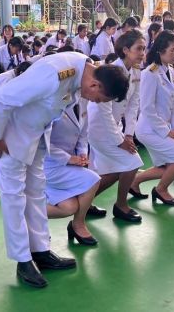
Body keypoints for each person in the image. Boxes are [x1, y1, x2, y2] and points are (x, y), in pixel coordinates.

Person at [0, 51, 128, 288]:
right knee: (14, 198)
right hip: (11, 137)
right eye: (99, 99)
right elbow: (5, 97)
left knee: (36, 193)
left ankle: (41, 250)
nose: (94, 102)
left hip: (37, 137)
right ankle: (23, 259)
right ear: (95, 84)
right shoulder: (55, 74)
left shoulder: (81, 68)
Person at [87, 31, 145, 222]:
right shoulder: (111, 71)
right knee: (132, 162)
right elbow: (103, 112)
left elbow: (133, 104)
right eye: (139, 48)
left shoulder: (136, 71)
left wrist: (129, 134)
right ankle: (121, 206)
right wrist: (120, 140)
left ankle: (84, 203)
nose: (143, 53)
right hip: (100, 128)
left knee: (113, 171)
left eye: (144, 48)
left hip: (115, 126)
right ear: (125, 50)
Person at [131, 31, 174, 205]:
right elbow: (147, 108)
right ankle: (161, 190)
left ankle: (135, 182)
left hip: (162, 127)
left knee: (165, 167)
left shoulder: (170, 70)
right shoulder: (150, 73)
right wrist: (167, 131)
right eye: (172, 50)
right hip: (149, 129)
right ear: (160, 50)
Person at [44, 104, 101, 245]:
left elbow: (82, 134)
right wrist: (68, 158)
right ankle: (78, 225)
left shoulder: (82, 100)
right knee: (92, 180)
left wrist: (82, 153)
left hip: (68, 162)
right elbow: (42, 141)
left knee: (69, 208)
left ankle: (31, 213)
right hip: (48, 164)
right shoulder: (52, 101)